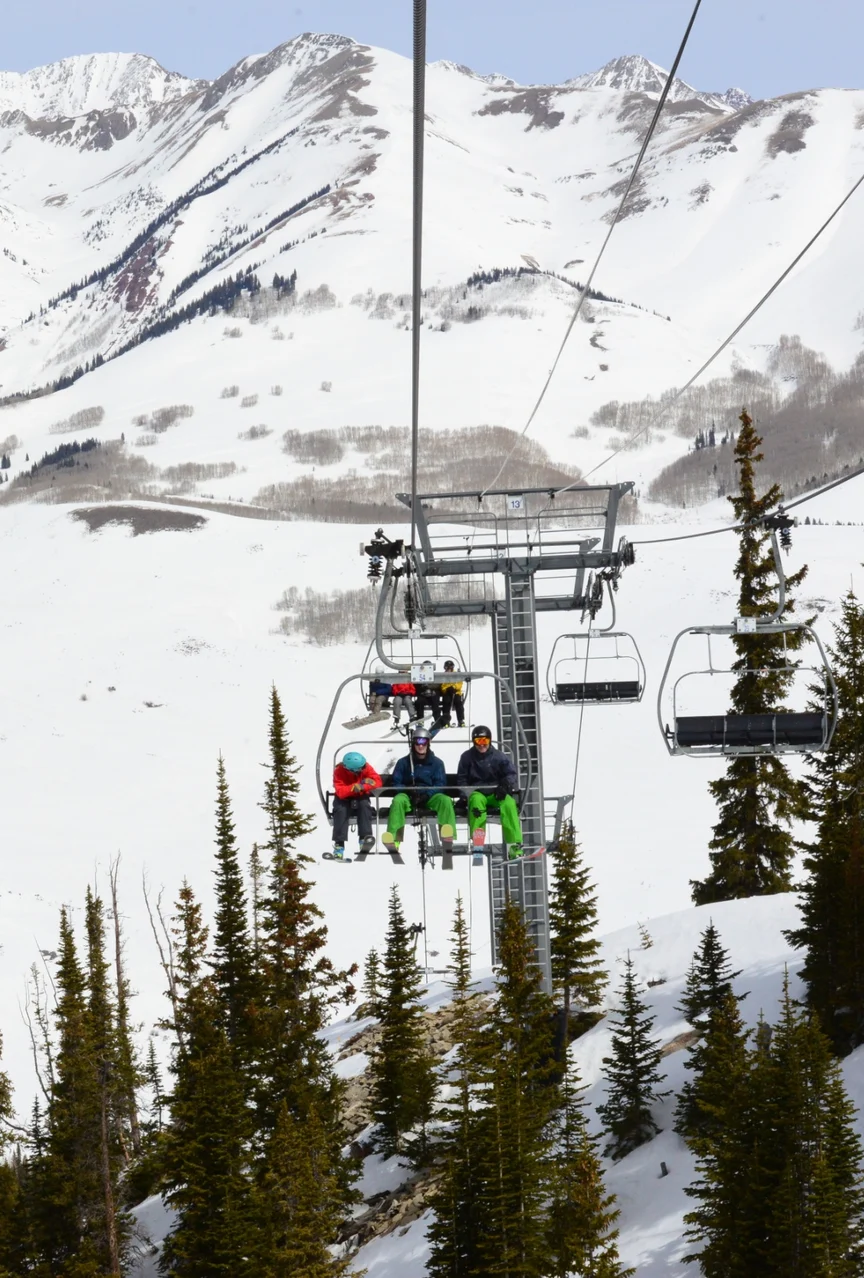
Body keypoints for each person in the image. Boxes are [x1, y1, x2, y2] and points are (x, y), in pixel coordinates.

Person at [382, 729, 456, 854]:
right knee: (398, 801)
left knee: (445, 801)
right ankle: (394, 840)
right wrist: (409, 792)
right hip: (409, 797)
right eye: (417, 743)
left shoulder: (436, 763)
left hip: (429, 797)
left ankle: (447, 840)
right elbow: (396, 782)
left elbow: (440, 784)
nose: (420, 746)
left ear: (428, 743)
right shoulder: (403, 763)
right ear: (413, 744)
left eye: (424, 742)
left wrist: (427, 795)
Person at [456, 725, 523, 859]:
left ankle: (514, 845)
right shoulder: (467, 758)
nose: (482, 745)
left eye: (484, 741)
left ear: (490, 741)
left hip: (495, 793)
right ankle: (478, 842)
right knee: (476, 803)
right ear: (473, 742)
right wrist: (465, 796)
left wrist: (505, 786)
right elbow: (462, 779)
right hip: (477, 792)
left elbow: (511, 773)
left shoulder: (498, 757)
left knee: (509, 804)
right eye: (478, 742)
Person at [331, 751, 382, 860]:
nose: (363, 768)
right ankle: (339, 845)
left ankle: (364, 838)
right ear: (352, 770)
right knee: (341, 811)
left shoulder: (365, 767)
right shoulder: (339, 772)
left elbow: (376, 781)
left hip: (360, 795)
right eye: (360, 768)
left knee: (364, 806)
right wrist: (354, 787)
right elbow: (340, 790)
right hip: (343, 798)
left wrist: (364, 786)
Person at [436, 660, 466, 729]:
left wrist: (455, 687)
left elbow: (459, 684)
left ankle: (460, 720)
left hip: (456, 692)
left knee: (458, 703)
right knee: (446, 702)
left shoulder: (456, 674)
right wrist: (447, 689)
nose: (449, 669)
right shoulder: (443, 675)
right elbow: (442, 686)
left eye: (450, 667)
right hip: (447, 692)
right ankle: (446, 720)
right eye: (447, 667)